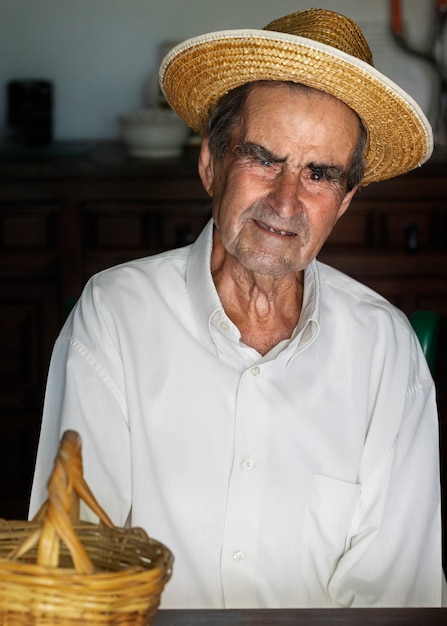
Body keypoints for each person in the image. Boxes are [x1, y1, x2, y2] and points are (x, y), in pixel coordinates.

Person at [29, 8, 444, 608]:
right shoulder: (116, 316)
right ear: (210, 163)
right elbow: (79, 567)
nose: (286, 199)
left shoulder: (385, 350)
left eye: (319, 173)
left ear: (345, 201)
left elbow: (395, 595)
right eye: (263, 157)